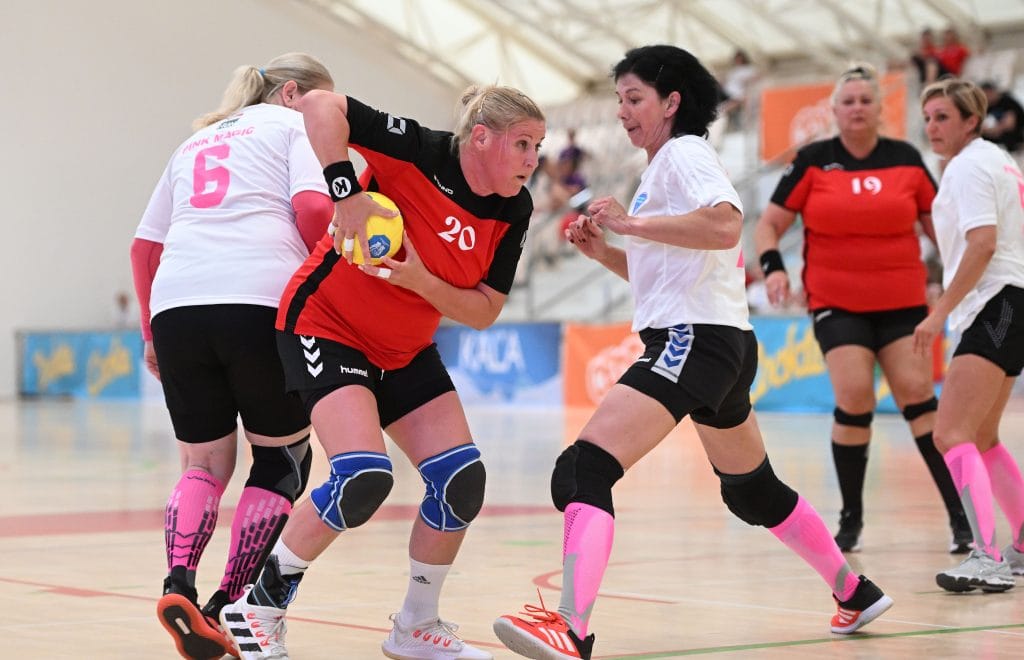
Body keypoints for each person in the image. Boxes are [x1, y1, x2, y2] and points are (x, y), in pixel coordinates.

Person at [492, 45, 893, 660]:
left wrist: (629, 225)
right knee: (752, 491)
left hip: (693, 340)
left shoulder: (683, 153)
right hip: (722, 341)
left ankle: (569, 628)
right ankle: (854, 592)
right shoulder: (664, 168)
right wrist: (605, 252)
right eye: (619, 100)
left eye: (634, 99)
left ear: (671, 102)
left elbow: (726, 225)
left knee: (583, 470)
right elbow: (668, 276)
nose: (622, 112)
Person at [217, 83, 545, 660]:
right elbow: (320, 104)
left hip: (404, 349)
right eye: (523, 144)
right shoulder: (420, 151)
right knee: (362, 477)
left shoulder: (513, 209)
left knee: (461, 481)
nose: (533, 160)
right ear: (481, 138)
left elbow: (484, 311)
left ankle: (415, 626)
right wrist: (346, 195)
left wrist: (420, 280)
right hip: (326, 325)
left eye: (537, 147)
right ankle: (257, 608)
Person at [132, 53, 335, 659]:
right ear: (292, 94)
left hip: (177, 305)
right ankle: (230, 600)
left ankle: (178, 585)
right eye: (326, 101)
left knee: (201, 463)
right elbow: (314, 209)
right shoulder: (295, 127)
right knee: (281, 457)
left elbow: (144, 248)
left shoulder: (193, 142)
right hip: (259, 299)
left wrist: (150, 332)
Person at [754, 62, 971, 555]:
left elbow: (940, 227)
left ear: (880, 109)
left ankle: (962, 518)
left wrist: (963, 277)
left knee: (918, 396)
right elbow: (768, 226)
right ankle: (850, 519)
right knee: (854, 397)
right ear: (834, 111)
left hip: (903, 302)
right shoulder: (813, 160)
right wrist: (774, 268)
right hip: (837, 302)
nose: (856, 108)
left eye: (865, 101)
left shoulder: (905, 158)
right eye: (848, 102)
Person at [917, 78, 1024, 592]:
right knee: (981, 436)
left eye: (943, 117)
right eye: (927, 118)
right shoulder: (998, 160)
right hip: (1012, 301)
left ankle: (987, 558)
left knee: (950, 433)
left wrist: (938, 312)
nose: (932, 127)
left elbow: (982, 243)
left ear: (971, 121)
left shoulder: (967, 166)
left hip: (995, 301)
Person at [979, 80, 1024, 154]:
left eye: (988, 94)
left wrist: (997, 129)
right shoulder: (984, 106)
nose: (987, 97)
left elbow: (1010, 123)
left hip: (1012, 144)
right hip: (990, 144)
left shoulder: (1007, 102)